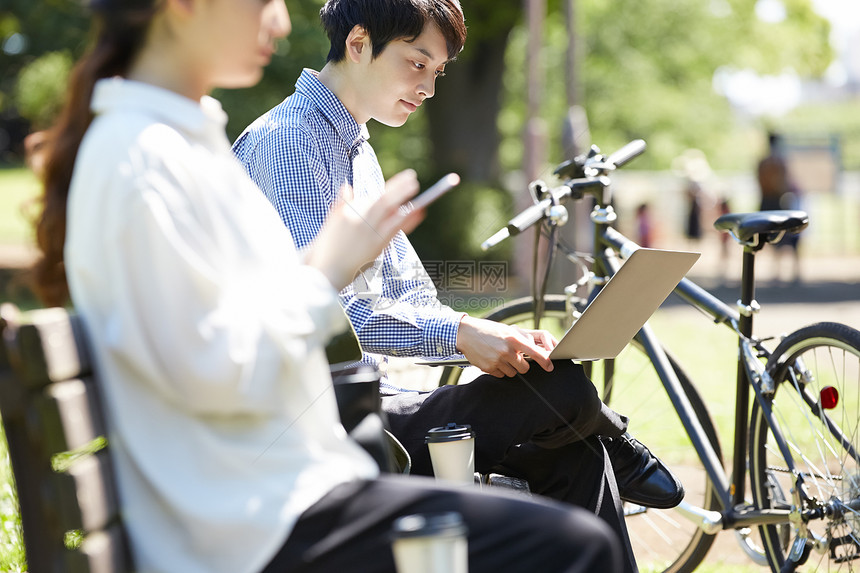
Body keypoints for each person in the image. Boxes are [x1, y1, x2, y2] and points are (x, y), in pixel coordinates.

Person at [28, 0, 631, 571]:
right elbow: (218, 367)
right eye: (262, 1)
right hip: (257, 515)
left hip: (290, 477)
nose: (281, 23)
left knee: (570, 468)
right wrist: (327, 277)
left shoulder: (179, 146)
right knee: (571, 544)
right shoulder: (152, 159)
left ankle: (603, 433)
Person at [233, 0, 683, 561]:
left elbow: (411, 295)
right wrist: (464, 334)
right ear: (357, 44)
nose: (428, 87)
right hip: (333, 417)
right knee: (559, 393)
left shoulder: (355, 151)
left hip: (384, 397)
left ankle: (596, 433)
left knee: (564, 431)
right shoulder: (291, 143)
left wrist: (490, 341)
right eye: (416, 63)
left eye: (437, 73)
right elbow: (338, 320)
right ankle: (606, 433)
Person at [757, 132, 802, 282]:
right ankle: (787, 270)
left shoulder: (765, 162)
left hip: (768, 202)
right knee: (782, 236)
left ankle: (786, 270)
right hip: (776, 202)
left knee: (778, 236)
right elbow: (782, 183)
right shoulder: (777, 162)